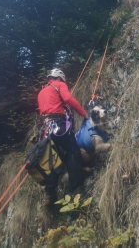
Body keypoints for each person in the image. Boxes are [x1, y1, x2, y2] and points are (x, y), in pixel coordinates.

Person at [37, 68, 88, 207]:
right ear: (59, 78)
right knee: (73, 151)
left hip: (44, 129)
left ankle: (50, 194)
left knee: (52, 158)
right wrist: (84, 114)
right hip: (58, 125)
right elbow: (68, 98)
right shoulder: (59, 84)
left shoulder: (41, 92)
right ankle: (77, 189)